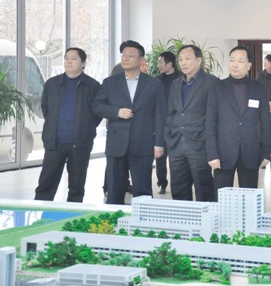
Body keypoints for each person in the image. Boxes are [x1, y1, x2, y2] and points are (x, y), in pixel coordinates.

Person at [93, 40, 166, 205]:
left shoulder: (154, 84)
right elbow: (97, 106)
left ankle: (143, 220)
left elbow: (160, 115)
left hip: (143, 143)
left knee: (143, 190)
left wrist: (159, 143)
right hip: (116, 143)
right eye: (124, 55)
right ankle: (114, 219)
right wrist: (116, 112)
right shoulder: (110, 83)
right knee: (114, 190)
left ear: (141, 60)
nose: (125, 58)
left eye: (131, 55)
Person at [34, 48, 102, 202]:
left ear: (83, 63)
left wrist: (86, 127)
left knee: (77, 186)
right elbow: (46, 109)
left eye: (73, 58)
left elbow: (97, 113)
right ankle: (41, 213)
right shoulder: (52, 84)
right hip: (54, 142)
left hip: (80, 143)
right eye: (66, 58)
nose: (68, 62)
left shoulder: (92, 86)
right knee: (46, 184)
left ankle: (73, 215)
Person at [207, 46, 271, 193]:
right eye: (232, 60)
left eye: (240, 61)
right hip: (223, 154)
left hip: (250, 152)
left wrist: (267, 152)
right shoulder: (217, 88)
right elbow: (210, 123)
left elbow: (265, 122)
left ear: (249, 65)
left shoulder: (259, 88)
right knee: (222, 199)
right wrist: (212, 153)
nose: (235, 64)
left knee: (249, 198)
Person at [165, 44, 218, 201]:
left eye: (187, 59)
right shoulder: (176, 83)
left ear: (199, 60)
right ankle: (182, 217)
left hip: (199, 143)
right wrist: (168, 134)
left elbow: (214, 115)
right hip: (176, 143)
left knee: (204, 189)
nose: (183, 63)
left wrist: (207, 139)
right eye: (181, 59)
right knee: (178, 189)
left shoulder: (211, 82)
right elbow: (171, 112)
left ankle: (206, 218)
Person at [154, 51, 180, 194]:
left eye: (160, 62)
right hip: (161, 124)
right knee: (160, 157)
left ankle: (178, 184)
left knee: (176, 158)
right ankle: (161, 183)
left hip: (177, 125)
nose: (158, 65)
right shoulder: (157, 81)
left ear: (169, 64)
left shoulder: (182, 79)